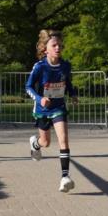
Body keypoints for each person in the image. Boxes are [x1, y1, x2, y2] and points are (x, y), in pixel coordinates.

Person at [26, 30, 78, 192]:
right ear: (45, 49)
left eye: (59, 45)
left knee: (63, 140)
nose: (58, 48)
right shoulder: (40, 67)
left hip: (58, 107)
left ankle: (65, 177)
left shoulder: (65, 65)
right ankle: (35, 144)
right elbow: (28, 86)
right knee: (45, 143)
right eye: (53, 45)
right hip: (43, 109)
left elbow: (67, 82)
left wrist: (73, 94)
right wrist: (39, 98)